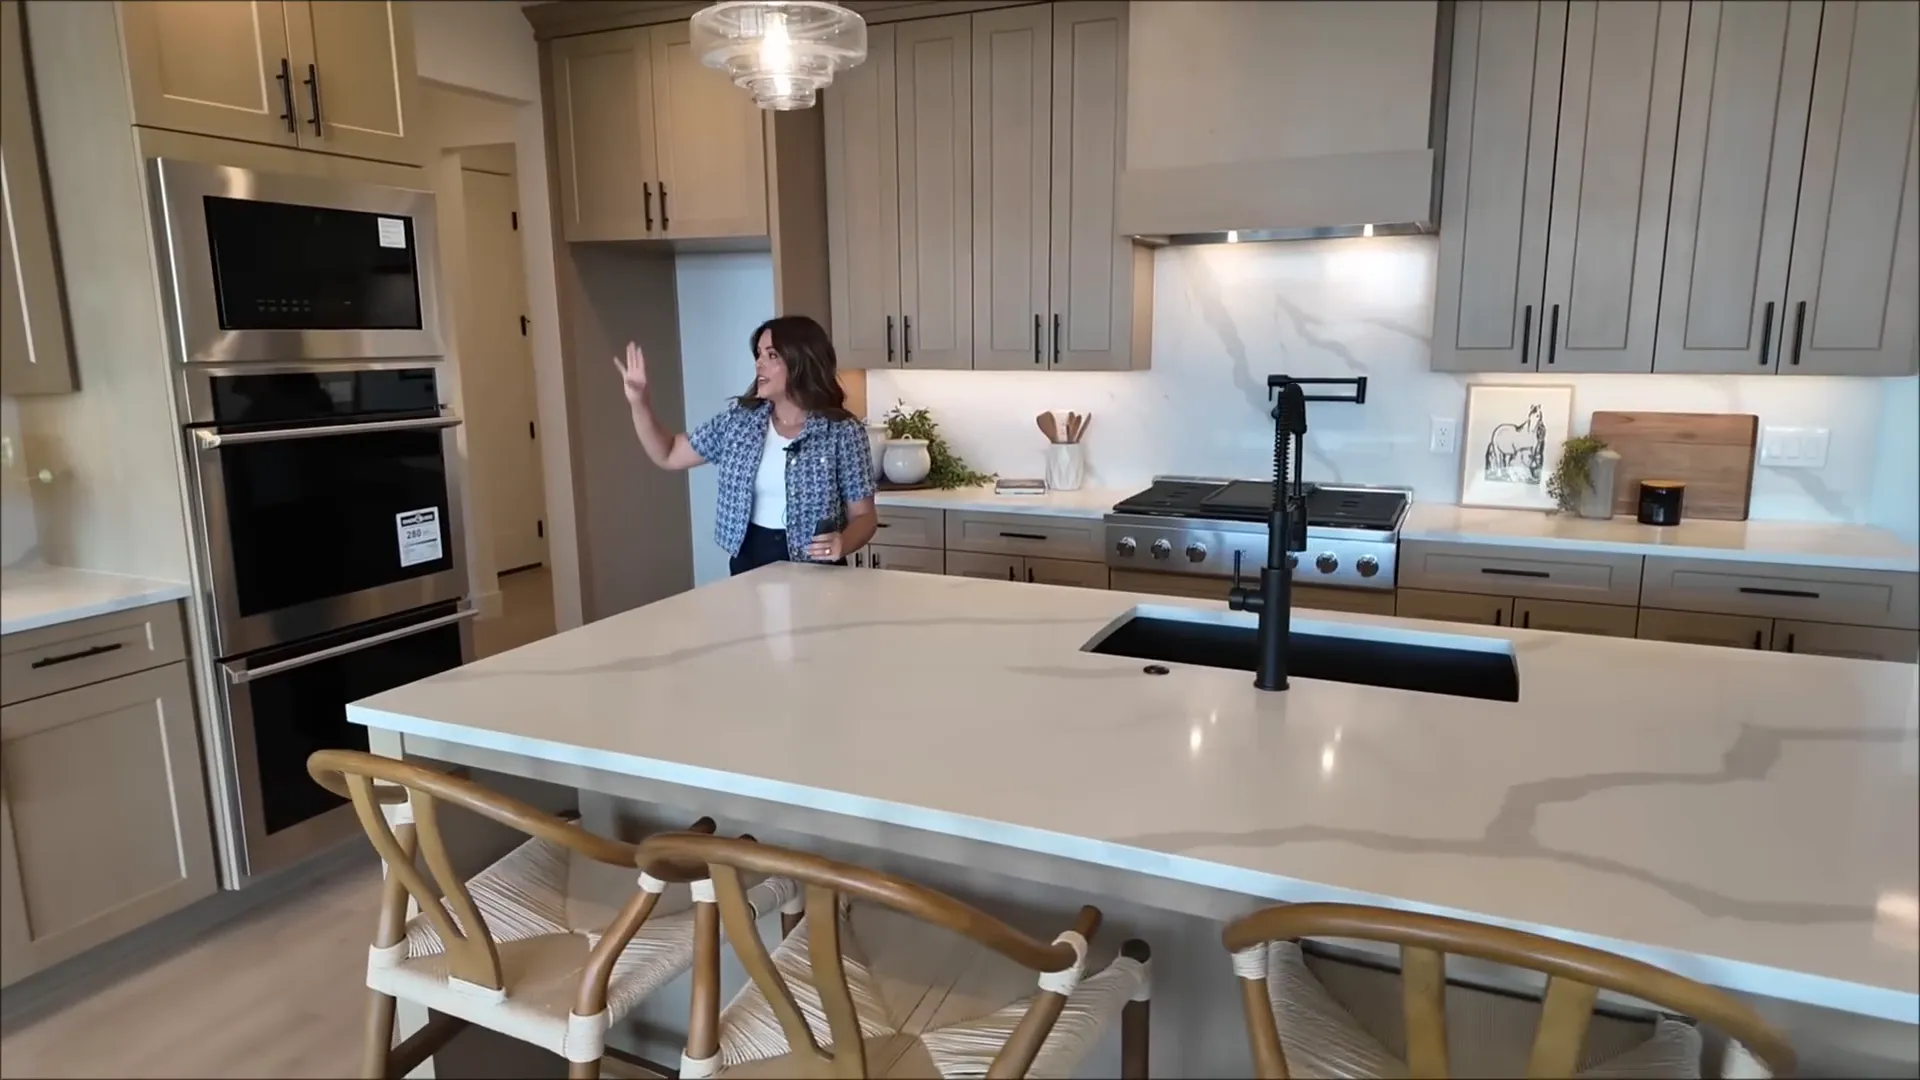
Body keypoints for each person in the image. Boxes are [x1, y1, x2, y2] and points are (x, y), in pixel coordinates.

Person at [614, 315, 877, 576]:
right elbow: (668, 454)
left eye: (772, 355)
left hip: (816, 571)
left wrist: (842, 543)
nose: (759, 363)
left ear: (802, 361)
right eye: (759, 354)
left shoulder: (843, 432)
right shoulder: (738, 422)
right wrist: (639, 402)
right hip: (749, 563)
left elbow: (864, 517)